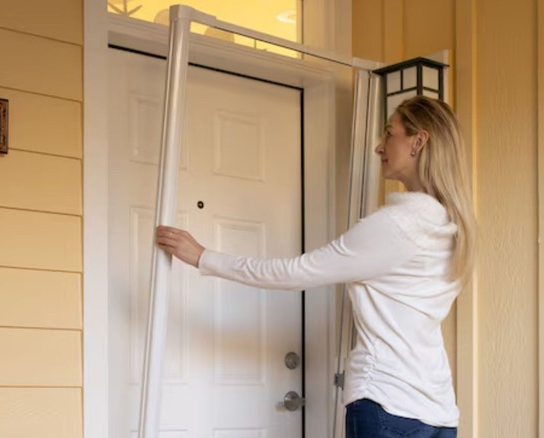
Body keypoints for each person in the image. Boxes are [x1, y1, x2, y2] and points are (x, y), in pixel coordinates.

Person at [156, 96, 476, 438]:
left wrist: (203, 256)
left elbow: (296, 272)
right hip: (439, 412)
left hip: (386, 403)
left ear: (419, 141)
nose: (379, 147)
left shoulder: (397, 225)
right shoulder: (454, 226)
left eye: (389, 134)